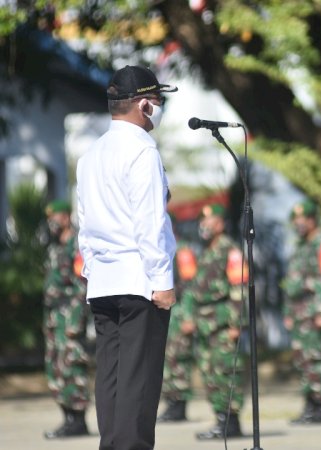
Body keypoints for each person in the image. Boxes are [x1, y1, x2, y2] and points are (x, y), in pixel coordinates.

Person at [77, 65, 177, 450]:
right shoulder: (142, 151)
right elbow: (150, 224)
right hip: (140, 282)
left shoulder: (91, 155)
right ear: (144, 105)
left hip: (104, 280)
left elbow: (84, 224)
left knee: (113, 377)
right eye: (159, 100)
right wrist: (162, 282)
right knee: (140, 380)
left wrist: (92, 271)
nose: (161, 107)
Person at [181, 204, 248, 440]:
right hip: (204, 324)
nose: (204, 226)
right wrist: (188, 316)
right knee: (210, 374)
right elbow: (193, 289)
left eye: (210, 221)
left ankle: (231, 422)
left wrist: (236, 323)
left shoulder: (231, 251)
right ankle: (221, 419)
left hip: (222, 323)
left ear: (220, 224)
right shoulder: (205, 252)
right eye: (202, 221)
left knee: (226, 371)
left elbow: (239, 287)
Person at [283, 200, 321, 424]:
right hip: (299, 311)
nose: (299, 223)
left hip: (314, 309)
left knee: (317, 358)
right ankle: (310, 404)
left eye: (303, 219)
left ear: (313, 219)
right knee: (303, 359)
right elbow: (291, 284)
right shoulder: (301, 245)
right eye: (296, 220)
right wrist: (288, 312)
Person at [42, 200, 91, 439]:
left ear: (66, 217)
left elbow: (82, 285)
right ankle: (68, 417)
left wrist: (76, 321)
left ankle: (78, 420)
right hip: (54, 319)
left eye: (56, 216)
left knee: (72, 366)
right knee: (56, 368)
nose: (52, 221)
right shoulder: (54, 248)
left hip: (69, 317)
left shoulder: (76, 245)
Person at [157, 215, 198, 422]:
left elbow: (190, 286)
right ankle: (171, 402)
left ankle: (179, 404)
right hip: (168, 312)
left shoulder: (182, 252)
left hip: (181, 311)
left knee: (179, 360)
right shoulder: (162, 251)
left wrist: (189, 316)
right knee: (167, 360)